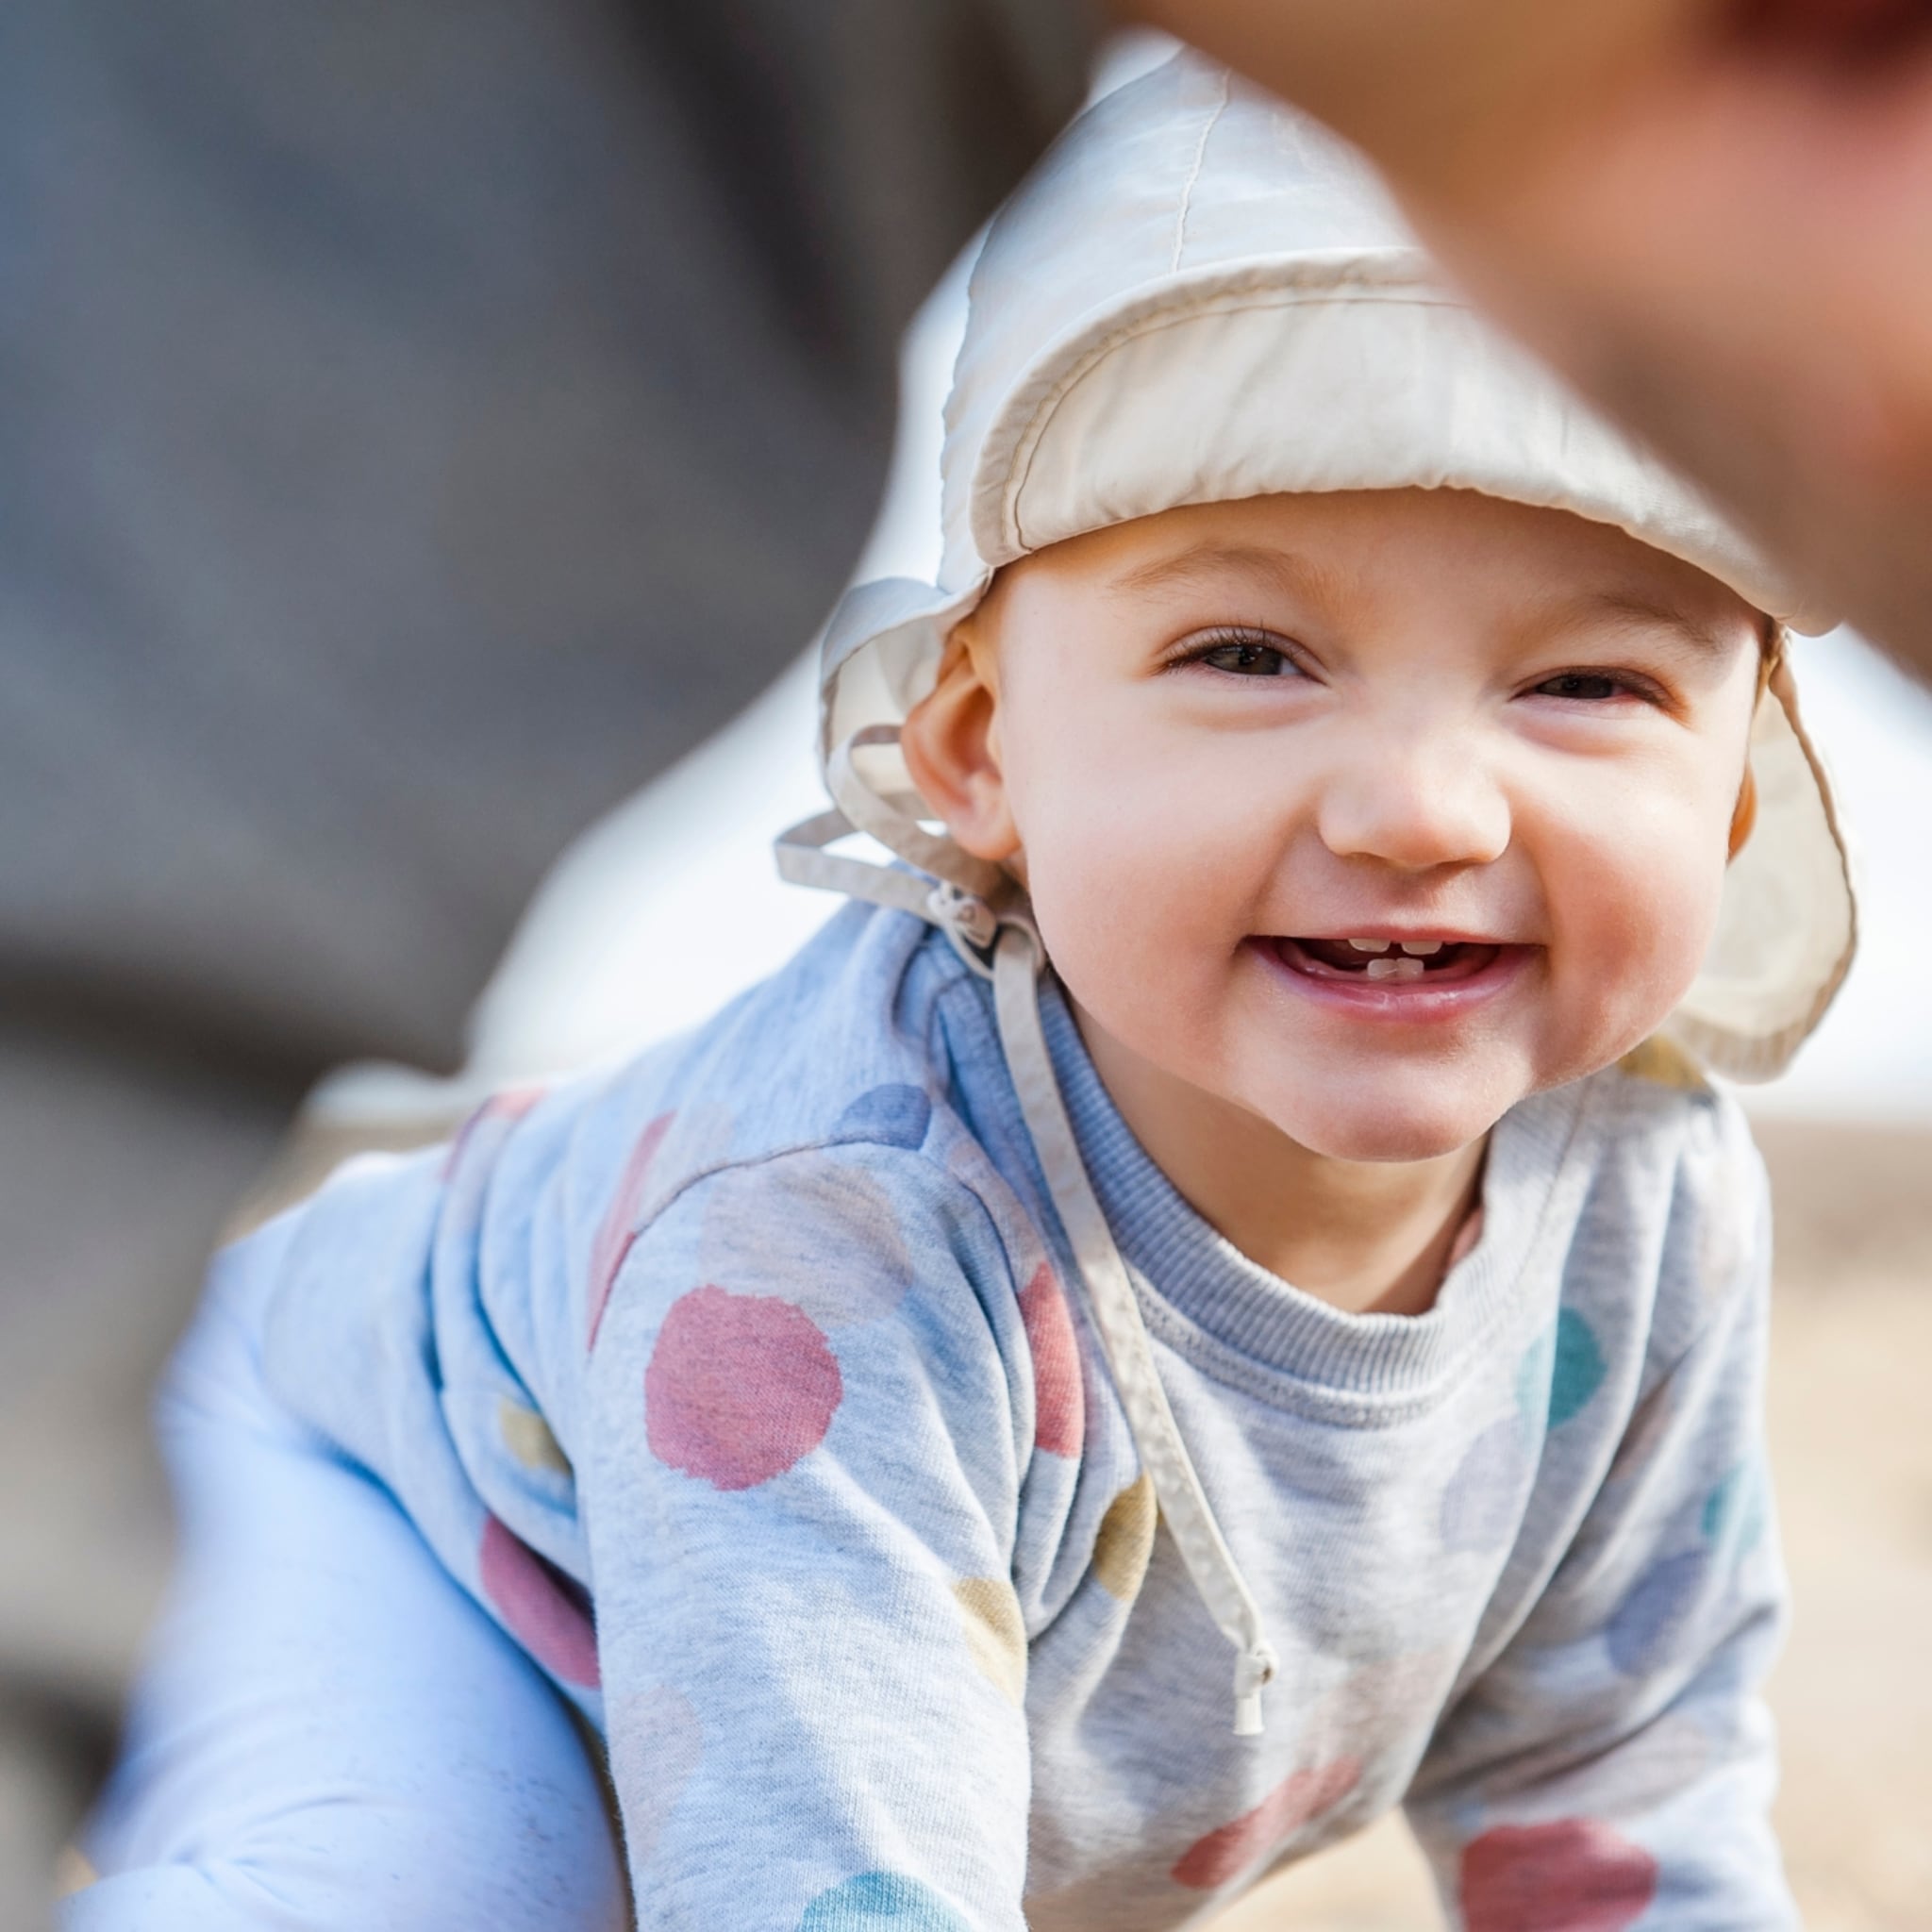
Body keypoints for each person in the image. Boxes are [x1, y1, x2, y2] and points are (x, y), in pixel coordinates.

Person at [68, 58, 1855, 1929]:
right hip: (396, 1504)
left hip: (827, 1730)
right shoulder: (845, 1231)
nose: (1419, 807)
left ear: (1733, 797)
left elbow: (1619, 1786)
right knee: (436, 1888)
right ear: (979, 750)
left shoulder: (1643, 1199)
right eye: (1247, 652)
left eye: (1585, 684)